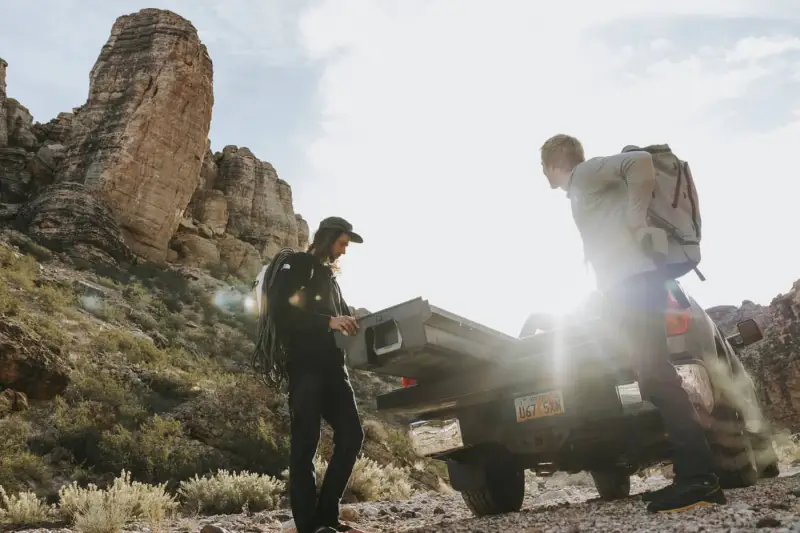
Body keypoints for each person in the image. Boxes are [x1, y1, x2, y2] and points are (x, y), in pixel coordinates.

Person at [538, 134, 725, 513]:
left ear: (554, 163)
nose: (543, 174)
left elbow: (638, 161)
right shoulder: (584, 188)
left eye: (544, 166)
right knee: (653, 377)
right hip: (630, 287)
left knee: (657, 376)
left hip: (636, 285)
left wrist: (636, 218)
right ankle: (693, 474)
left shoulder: (584, 174)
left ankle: (700, 479)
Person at [268, 216, 367, 533]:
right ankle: (309, 526)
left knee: (352, 436)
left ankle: (328, 516)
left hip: (335, 370)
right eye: (342, 243)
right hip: (305, 367)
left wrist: (353, 322)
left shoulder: (330, 279)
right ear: (327, 238)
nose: (344, 251)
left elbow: (343, 319)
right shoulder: (300, 265)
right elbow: (280, 311)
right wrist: (328, 322)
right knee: (305, 444)